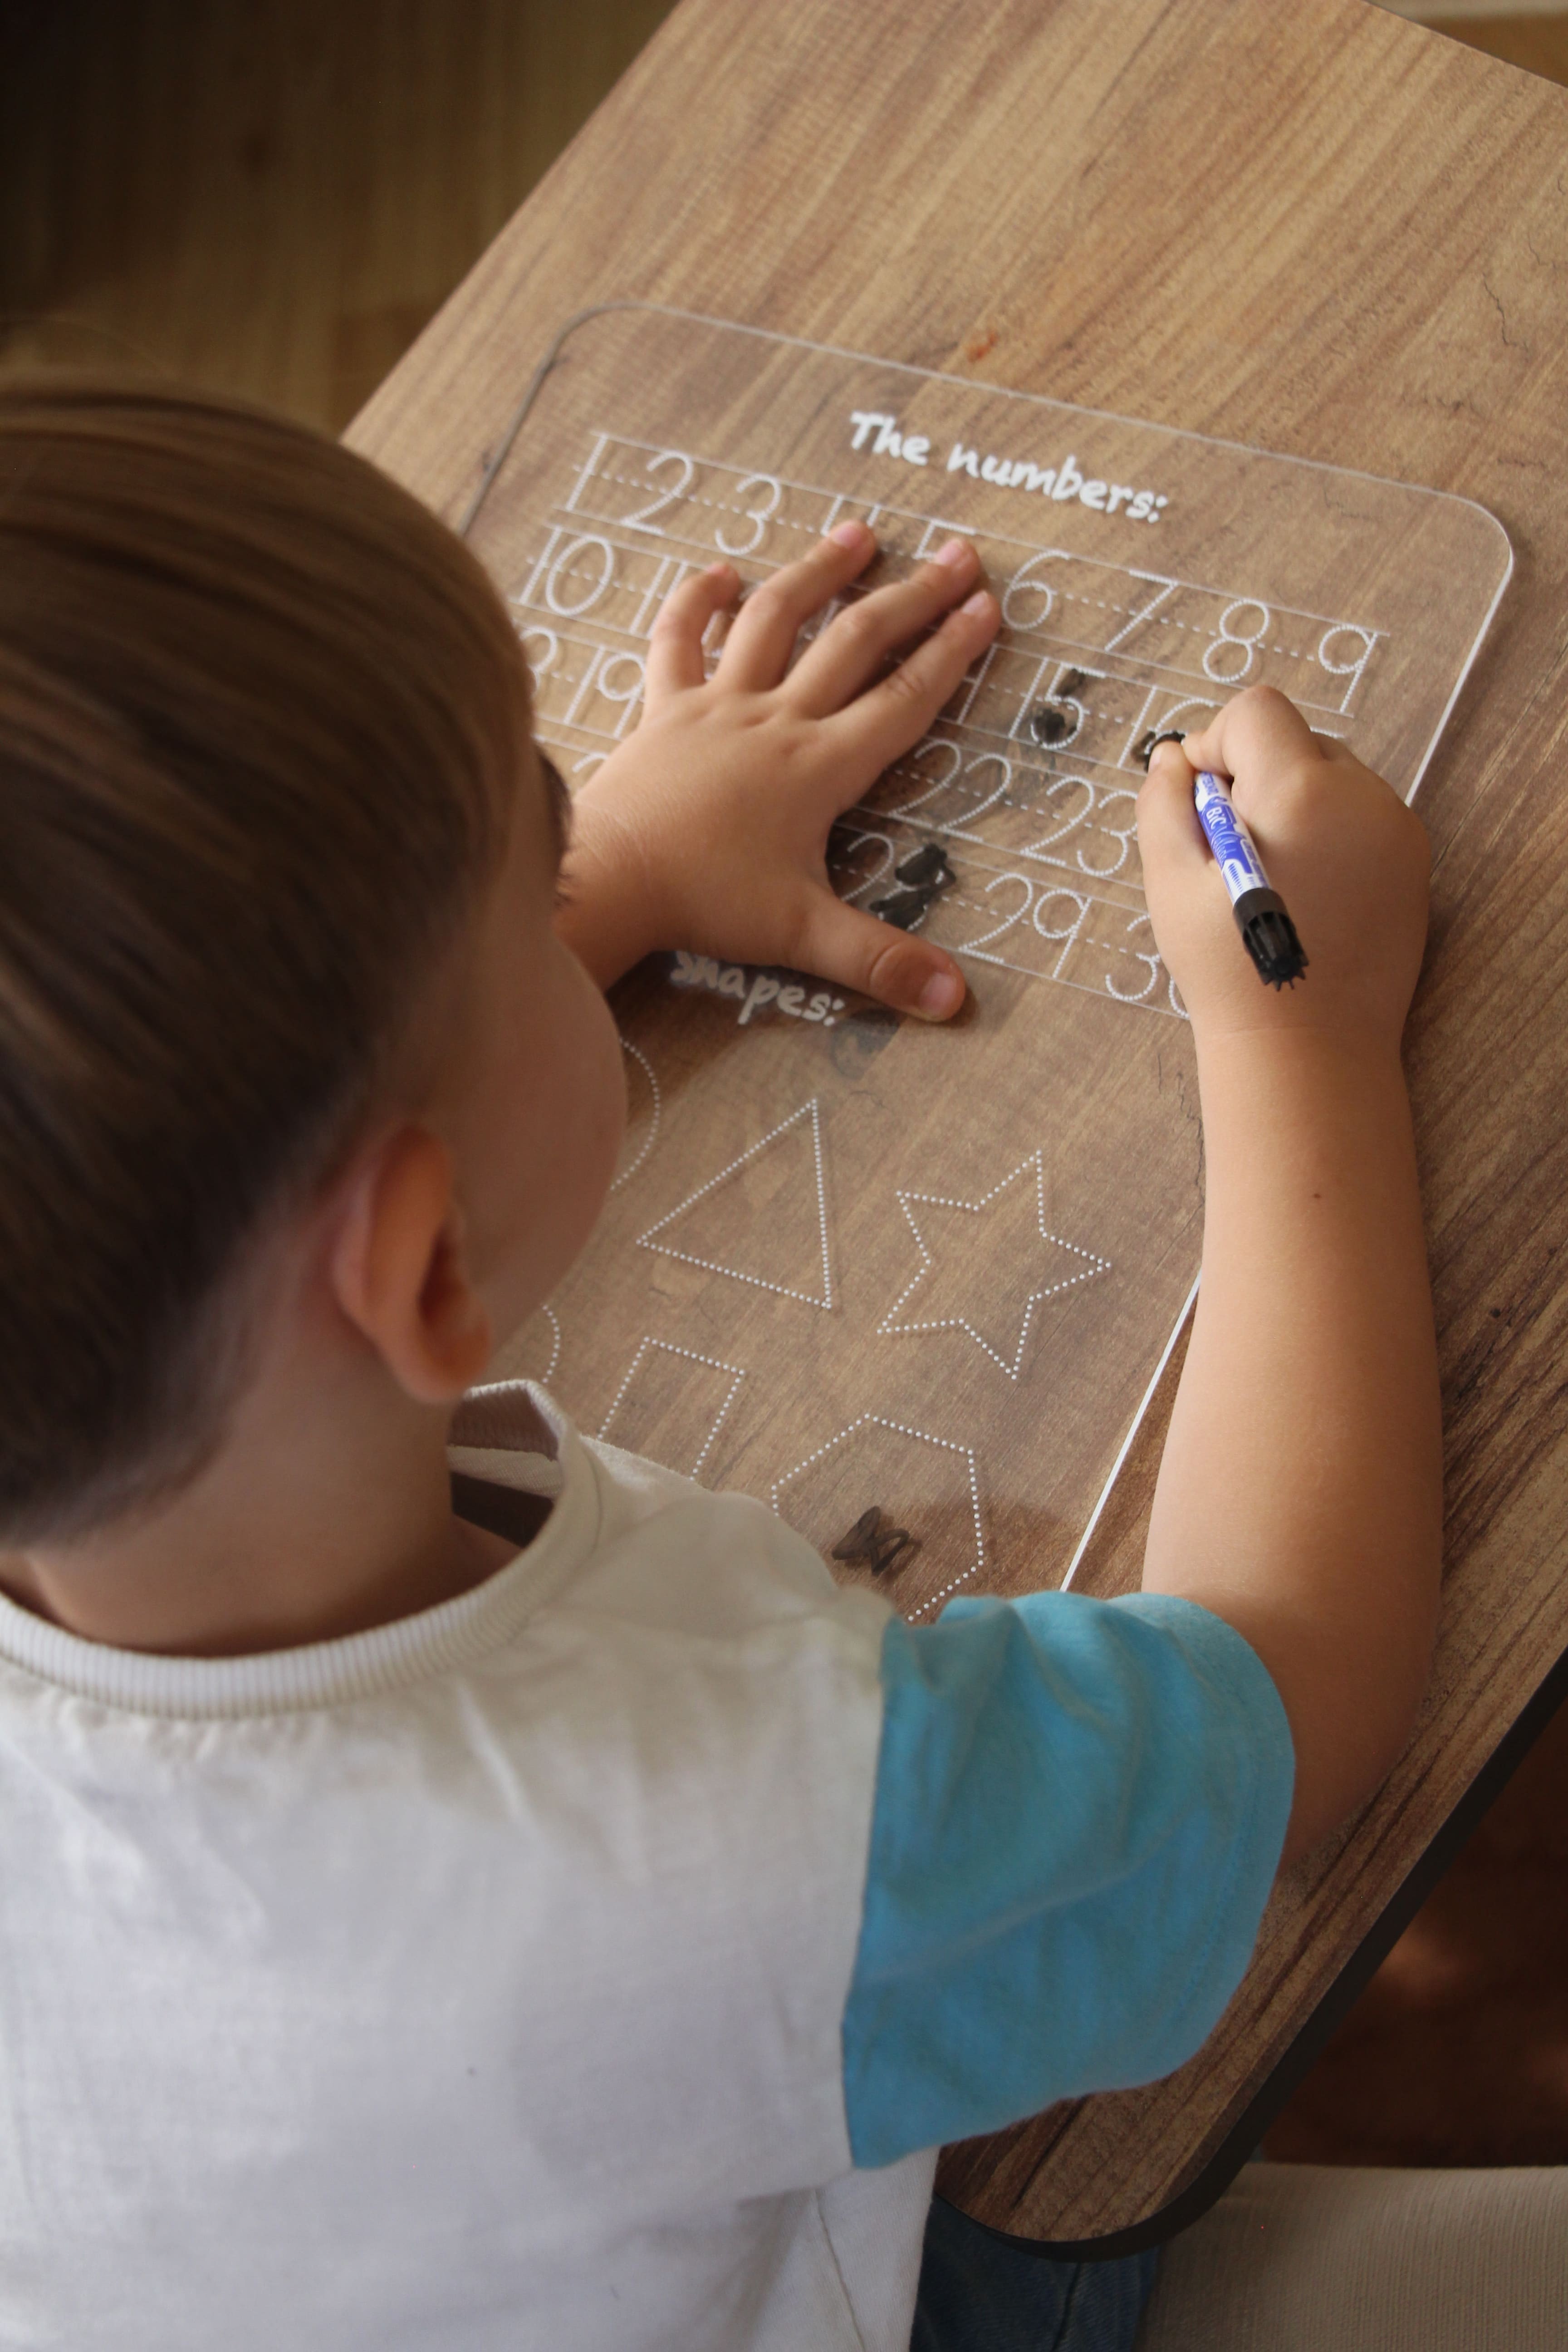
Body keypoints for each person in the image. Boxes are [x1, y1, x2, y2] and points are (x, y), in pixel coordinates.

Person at [0, 381, 1441, 2352]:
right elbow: (1287, 1699)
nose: (577, 857)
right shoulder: (762, 1833)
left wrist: (626, 873)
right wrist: (1303, 1027)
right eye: (544, 860)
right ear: (421, 1276)